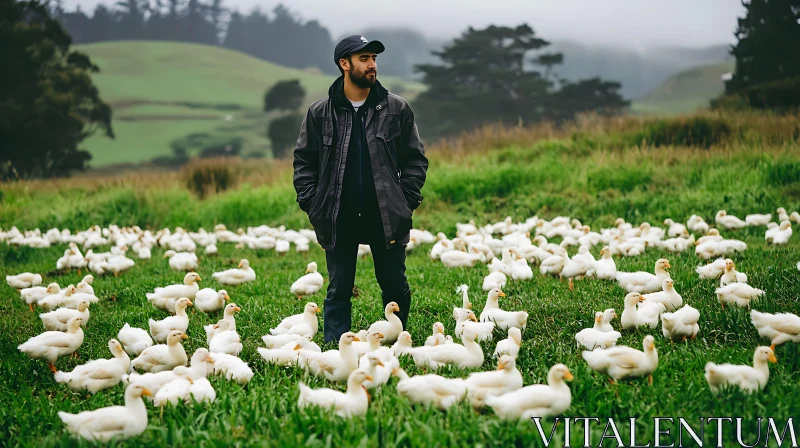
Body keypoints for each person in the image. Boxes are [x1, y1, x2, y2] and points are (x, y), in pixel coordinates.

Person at [292, 35, 429, 343]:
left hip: (385, 211)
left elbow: (415, 160)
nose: (372, 65)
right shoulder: (319, 113)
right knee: (339, 287)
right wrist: (312, 202)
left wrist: (405, 200)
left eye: (374, 59)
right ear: (345, 64)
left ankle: (395, 342)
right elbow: (303, 162)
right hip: (337, 212)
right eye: (364, 59)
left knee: (394, 283)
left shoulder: (396, 109)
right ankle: (335, 349)